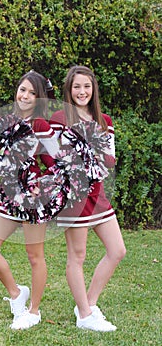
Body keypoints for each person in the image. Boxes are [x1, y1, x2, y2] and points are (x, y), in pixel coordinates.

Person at [0, 71, 60, 330]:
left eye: (32, 93)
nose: (24, 96)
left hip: (34, 199)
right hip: (9, 196)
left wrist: (42, 185)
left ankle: (34, 311)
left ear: (39, 99)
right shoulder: (6, 121)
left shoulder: (41, 125)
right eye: (22, 90)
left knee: (35, 256)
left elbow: (57, 162)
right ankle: (17, 294)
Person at [50, 65, 126, 332]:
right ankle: (84, 315)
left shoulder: (104, 120)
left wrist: (95, 152)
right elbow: (51, 157)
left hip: (98, 195)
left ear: (93, 89)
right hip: (74, 197)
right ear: (69, 91)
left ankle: (88, 305)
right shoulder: (59, 118)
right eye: (76, 87)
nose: (82, 92)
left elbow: (109, 160)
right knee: (77, 256)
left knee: (117, 250)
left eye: (86, 86)